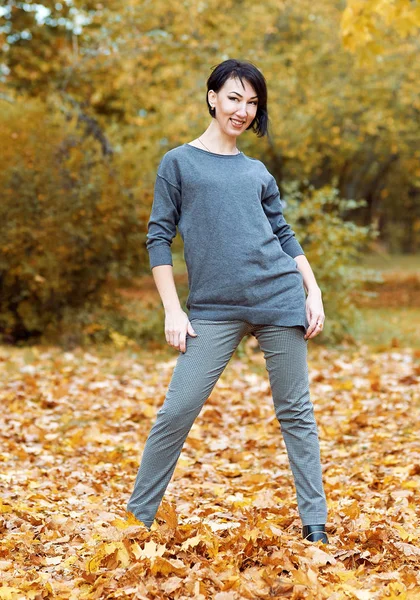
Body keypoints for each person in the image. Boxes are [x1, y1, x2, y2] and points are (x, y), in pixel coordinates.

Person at [126, 59, 329, 544]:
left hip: (278, 296)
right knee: (177, 410)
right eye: (235, 97)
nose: (243, 110)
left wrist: (312, 288)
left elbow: (282, 232)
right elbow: (158, 238)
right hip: (213, 307)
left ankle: (315, 528)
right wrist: (173, 309)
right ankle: (135, 521)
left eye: (252, 101)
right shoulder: (178, 162)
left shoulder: (257, 171)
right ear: (213, 96)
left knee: (296, 411)